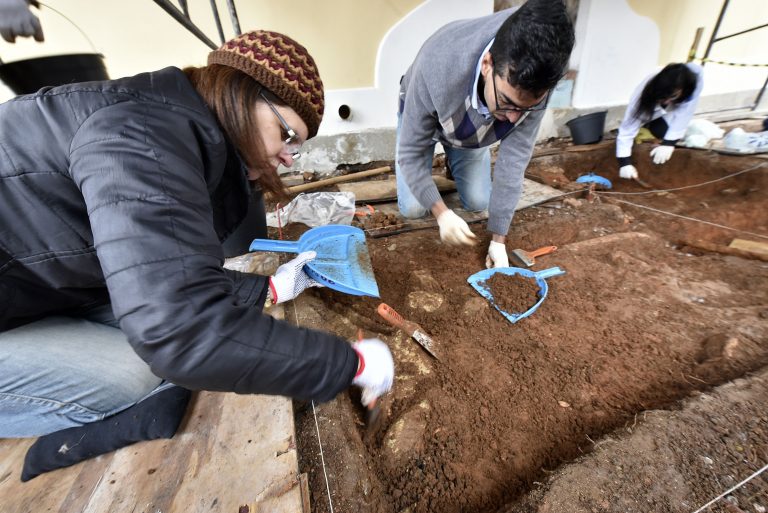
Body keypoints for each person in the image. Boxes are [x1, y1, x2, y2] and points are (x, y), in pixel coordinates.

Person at [0, 30, 393, 478]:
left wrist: (267, 287)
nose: (288, 158)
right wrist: (351, 362)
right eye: (286, 135)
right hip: (23, 296)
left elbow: (157, 265)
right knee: (137, 376)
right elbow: (182, 333)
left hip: (34, 285)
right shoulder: (138, 139)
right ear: (240, 91)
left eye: (296, 146)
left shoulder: (168, 127)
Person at [395, 0, 574, 268]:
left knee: (479, 201)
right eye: (507, 102)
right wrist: (442, 213)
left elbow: (513, 161)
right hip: (431, 114)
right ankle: (447, 154)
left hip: (472, 127)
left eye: (525, 108)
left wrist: (498, 240)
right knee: (413, 209)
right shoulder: (437, 65)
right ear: (488, 64)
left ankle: (457, 157)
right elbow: (409, 154)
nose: (514, 118)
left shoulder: (541, 71)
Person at [616, 62, 704, 180]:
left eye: (672, 97)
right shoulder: (644, 92)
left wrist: (669, 143)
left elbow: (684, 115)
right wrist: (624, 162)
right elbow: (628, 127)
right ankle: (649, 124)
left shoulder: (692, 85)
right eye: (664, 97)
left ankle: (656, 127)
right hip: (651, 101)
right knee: (654, 125)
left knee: (663, 131)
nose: (667, 101)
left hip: (674, 109)